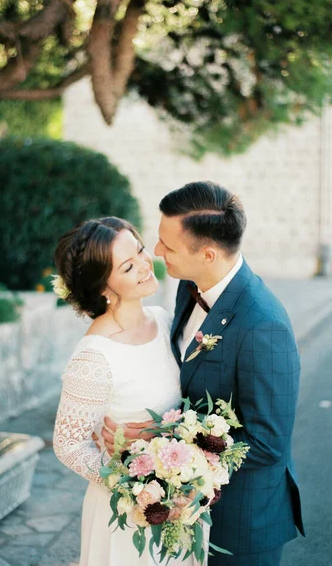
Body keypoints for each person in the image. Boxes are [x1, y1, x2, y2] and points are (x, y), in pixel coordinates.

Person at [102, 181, 305, 566]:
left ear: (208, 254)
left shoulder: (264, 326)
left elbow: (266, 444)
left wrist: (160, 443)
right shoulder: (188, 285)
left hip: (242, 524)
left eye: (168, 246)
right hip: (186, 512)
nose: (157, 253)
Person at [52, 216, 196, 566]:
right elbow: (68, 445)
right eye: (129, 266)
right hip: (129, 512)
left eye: (141, 251)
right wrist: (135, 483)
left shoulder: (163, 319)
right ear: (104, 286)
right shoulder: (95, 356)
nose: (147, 265)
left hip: (178, 501)